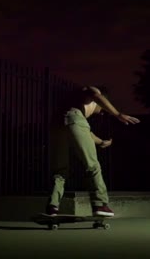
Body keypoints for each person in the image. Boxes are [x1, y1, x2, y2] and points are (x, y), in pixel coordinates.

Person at [46, 85, 140, 217]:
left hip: (56, 125)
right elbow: (95, 97)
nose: (101, 112)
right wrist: (117, 114)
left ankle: (52, 206)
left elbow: (83, 131)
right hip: (74, 121)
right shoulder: (92, 92)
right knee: (92, 166)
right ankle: (100, 204)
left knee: (60, 170)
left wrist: (101, 142)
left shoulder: (71, 106)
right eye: (101, 109)